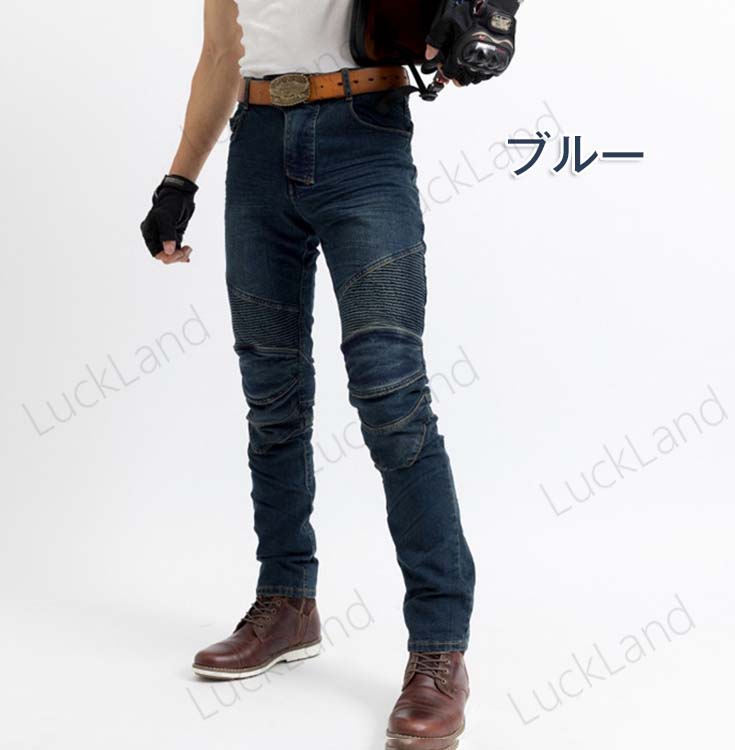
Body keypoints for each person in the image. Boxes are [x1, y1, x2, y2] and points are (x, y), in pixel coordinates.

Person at [140, 1, 520, 747]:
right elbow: (220, 52)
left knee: (392, 396)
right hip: (256, 147)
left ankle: (439, 649)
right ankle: (287, 602)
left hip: (363, 137)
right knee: (271, 396)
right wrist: (178, 181)